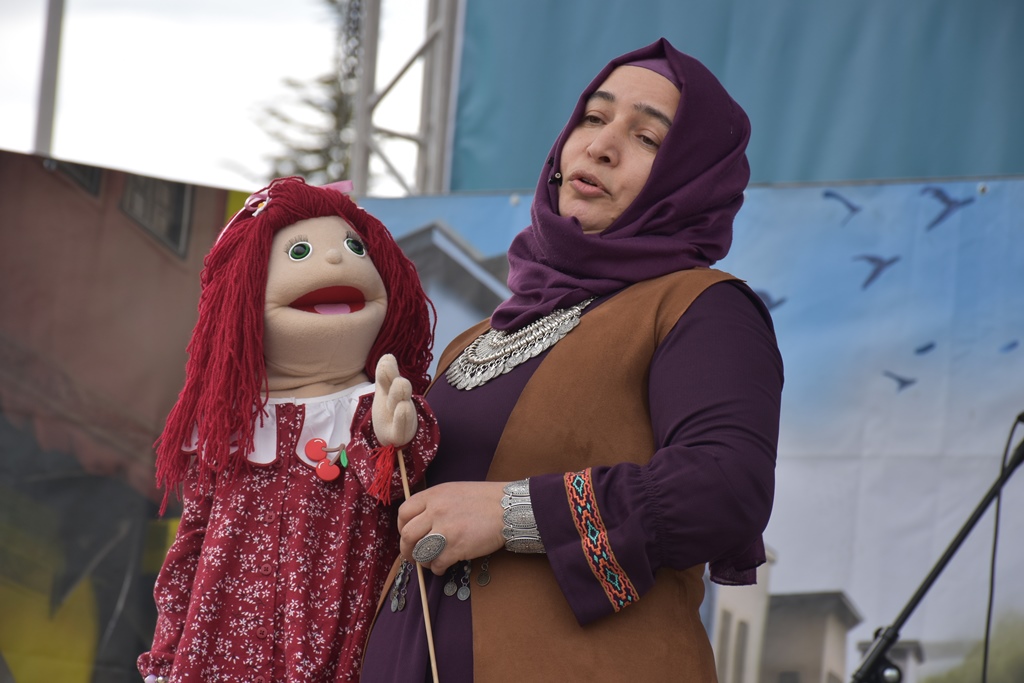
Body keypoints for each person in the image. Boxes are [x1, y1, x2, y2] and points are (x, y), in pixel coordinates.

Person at [360, 37, 784, 682]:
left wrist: (509, 514)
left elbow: (725, 486)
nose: (601, 146)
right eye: (593, 117)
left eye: (648, 138)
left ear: (691, 179)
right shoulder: (473, 340)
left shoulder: (700, 307)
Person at [136, 177, 439, 683]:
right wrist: (165, 660)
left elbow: (399, 490)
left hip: (340, 659)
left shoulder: (374, 407)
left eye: (355, 248)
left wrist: (390, 441)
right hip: (215, 663)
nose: (337, 259)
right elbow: (191, 544)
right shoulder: (231, 425)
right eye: (300, 252)